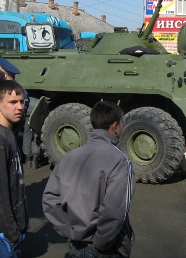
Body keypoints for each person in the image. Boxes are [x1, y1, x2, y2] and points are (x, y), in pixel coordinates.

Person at [42, 101, 134, 258]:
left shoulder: (69, 156)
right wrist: (101, 243)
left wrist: (69, 231)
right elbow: (115, 211)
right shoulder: (120, 161)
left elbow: (50, 200)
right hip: (105, 249)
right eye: (122, 123)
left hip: (75, 243)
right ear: (115, 127)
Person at [0, 80, 29, 258]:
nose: (20, 107)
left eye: (22, 102)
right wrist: (12, 233)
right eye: (12, 102)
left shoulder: (8, 133)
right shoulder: (1, 141)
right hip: (5, 235)